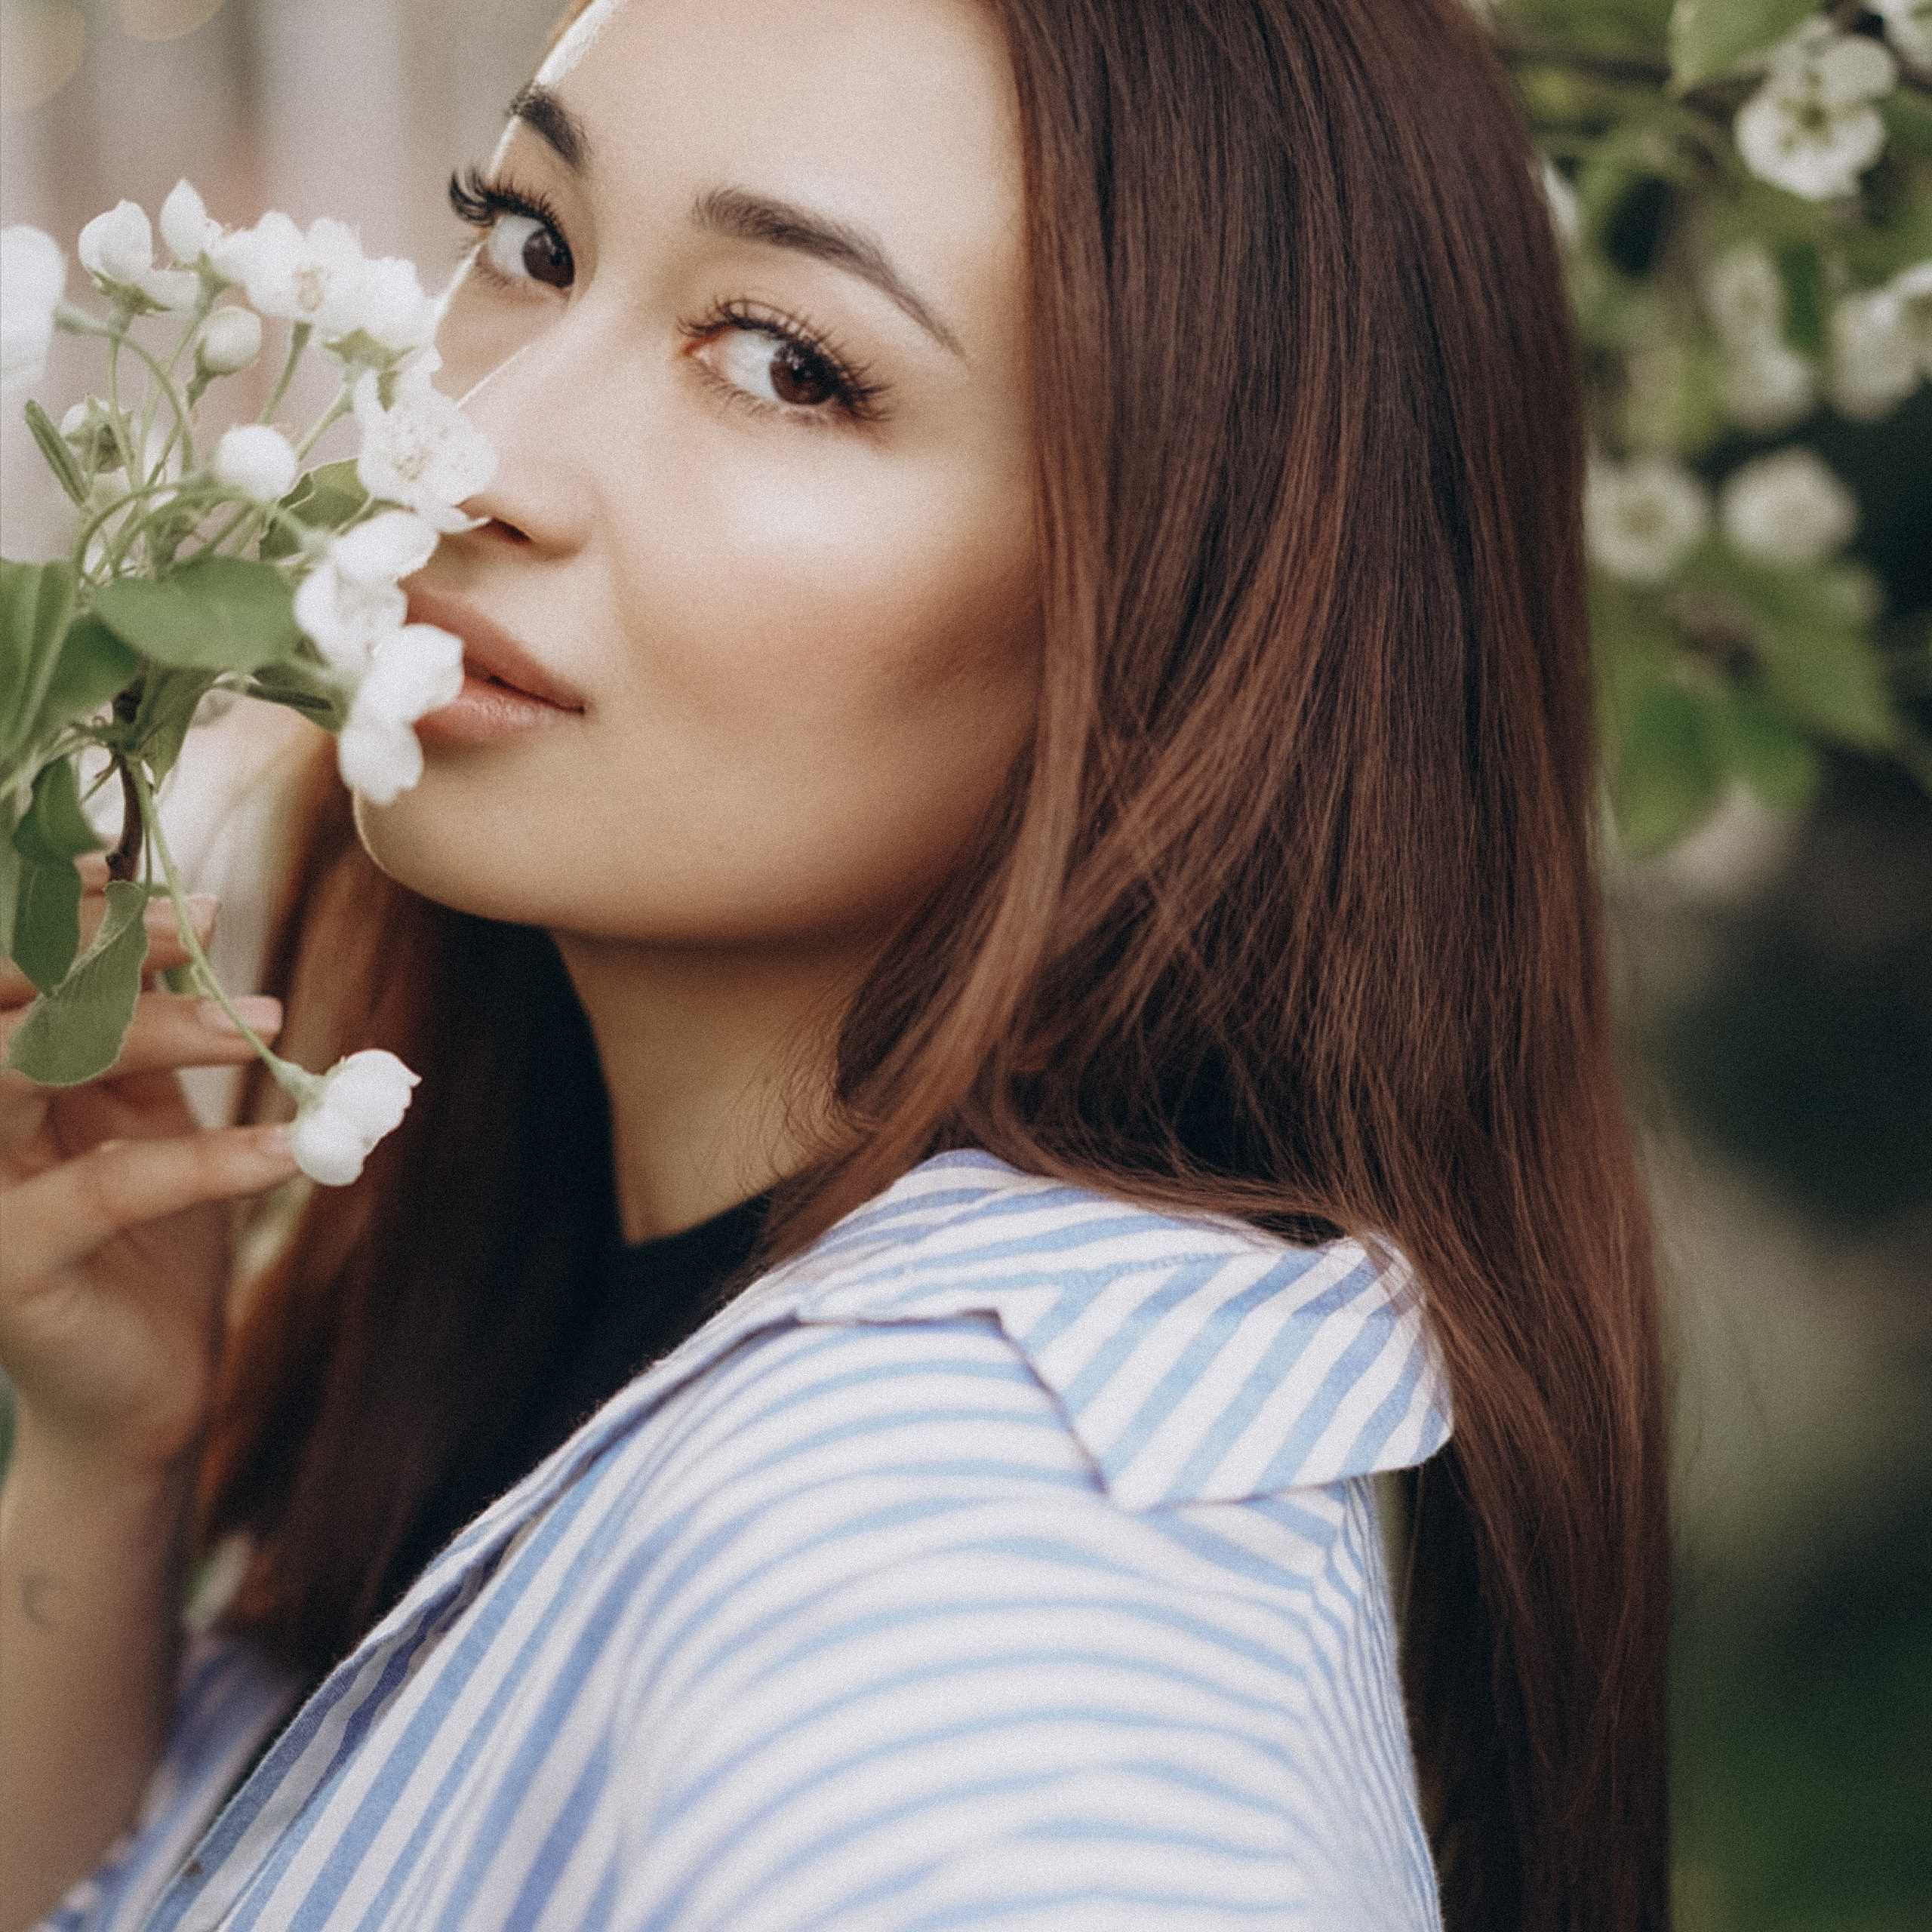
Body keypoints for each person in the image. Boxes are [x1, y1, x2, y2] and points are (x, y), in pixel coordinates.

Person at [0, 0, 1669, 1926]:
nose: (466, 447)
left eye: (790, 363)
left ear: (1190, 624)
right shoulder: (561, 1295)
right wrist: (113, 1474)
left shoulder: (965, 1564)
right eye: (532, 241)